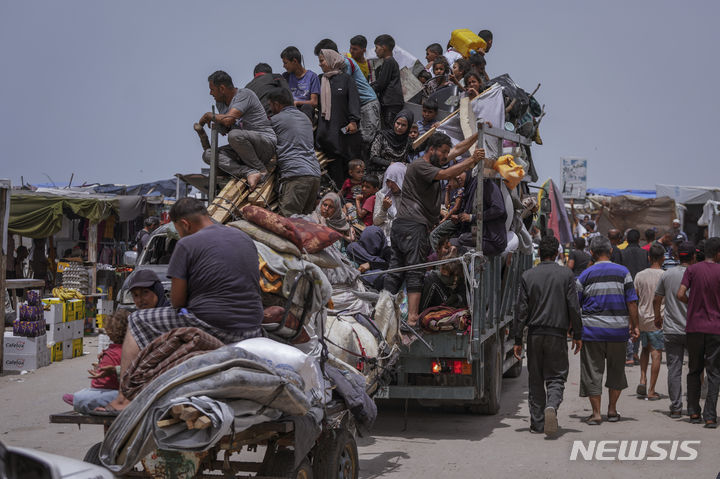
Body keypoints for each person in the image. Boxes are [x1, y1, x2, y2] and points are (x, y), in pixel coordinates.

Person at [100, 198, 264, 413]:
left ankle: (124, 398)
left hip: (214, 326)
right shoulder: (244, 238)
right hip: (252, 326)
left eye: (178, 230)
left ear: (184, 224)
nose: (179, 235)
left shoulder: (187, 244)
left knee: (137, 319)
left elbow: (177, 302)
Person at [383, 132, 483, 327]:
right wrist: (472, 159)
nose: (446, 156)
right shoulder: (421, 166)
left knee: (396, 270)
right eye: (443, 152)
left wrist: (476, 136)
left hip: (403, 225)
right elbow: (446, 174)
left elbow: (456, 150)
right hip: (413, 226)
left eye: (447, 153)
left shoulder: (433, 161)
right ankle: (412, 317)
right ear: (432, 150)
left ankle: (384, 312)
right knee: (414, 271)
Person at [513, 235, 583, 436]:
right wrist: (578, 334)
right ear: (557, 253)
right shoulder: (566, 275)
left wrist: (518, 340)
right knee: (556, 377)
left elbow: (521, 311)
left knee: (535, 379)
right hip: (557, 334)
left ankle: (537, 423)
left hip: (535, 334)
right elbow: (573, 307)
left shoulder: (528, 275)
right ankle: (551, 405)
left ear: (539, 254)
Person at [576, 235, 640, 425]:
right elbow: (632, 302)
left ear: (592, 253)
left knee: (592, 371)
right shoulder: (623, 272)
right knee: (616, 371)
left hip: (592, 331)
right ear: (611, 251)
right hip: (618, 332)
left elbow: (575, 303)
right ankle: (612, 410)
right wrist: (635, 325)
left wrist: (573, 329)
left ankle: (596, 414)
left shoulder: (585, 274)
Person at [199, 71, 277, 190]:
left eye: (212, 89)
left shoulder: (244, 94)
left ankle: (261, 170)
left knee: (235, 136)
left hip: (264, 145)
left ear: (222, 88)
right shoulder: (221, 103)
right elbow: (226, 127)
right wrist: (219, 125)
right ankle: (249, 171)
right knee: (208, 155)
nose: (210, 93)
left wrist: (209, 116)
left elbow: (229, 120)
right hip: (243, 149)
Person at [677, 236, 720, 428]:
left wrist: (692, 304)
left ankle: (694, 412)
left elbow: (680, 294)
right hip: (715, 329)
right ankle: (710, 416)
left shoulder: (692, 270)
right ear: (718, 253)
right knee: (714, 372)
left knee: (694, 370)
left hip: (694, 327)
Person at [314, 39, 380, 156]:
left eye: (322, 57)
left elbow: (343, 86)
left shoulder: (344, 64)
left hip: (367, 103)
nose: (320, 62)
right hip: (359, 104)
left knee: (367, 138)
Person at [654, 241, 695, 418]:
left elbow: (657, 299)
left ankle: (676, 407)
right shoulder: (697, 274)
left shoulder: (667, 275)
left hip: (671, 329)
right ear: (693, 256)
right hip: (694, 329)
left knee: (674, 369)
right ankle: (693, 409)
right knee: (695, 369)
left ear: (677, 256)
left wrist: (657, 316)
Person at [267, 87, 321, 216]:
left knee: (289, 221)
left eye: (270, 105)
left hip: (295, 175)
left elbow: (265, 143)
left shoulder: (275, 120)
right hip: (314, 175)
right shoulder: (305, 119)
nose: (270, 109)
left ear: (276, 104)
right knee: (305, 222)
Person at [63, 309, 129, 413]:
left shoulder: (120, 352)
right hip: (108, 390)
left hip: (112, 392)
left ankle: (81, 401)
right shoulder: (117, 350)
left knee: (82, 396)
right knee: (87, 393)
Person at [315, 49, 361, 190]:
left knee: (348, 165)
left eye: (322, 60)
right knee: (334, 169)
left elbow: (354, 101)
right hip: (327, 132)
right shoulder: (320, 79)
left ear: (331, 60)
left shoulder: (346, 79)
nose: (320, 64)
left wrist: (354, 121)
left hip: (344, 131)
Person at [634, 245, 667, 400]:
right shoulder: (665, 275)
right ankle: (651, 390)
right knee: (656, 354)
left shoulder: (640, 275)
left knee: (645, 349)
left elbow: (634, 298)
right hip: (657, 319)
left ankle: (642, 379)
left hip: (642, 318)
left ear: (649, 258)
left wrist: (632, 322)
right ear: (663, 258)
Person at [368, 109, 414, 178]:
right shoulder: (382, 136)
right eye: (398, 123)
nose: (399, 127)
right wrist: (391, 164)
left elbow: (419, 147)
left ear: (408, 127)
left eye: (403, 125)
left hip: (398, 174)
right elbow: (373, 157)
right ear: (394, 122)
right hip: (379, 172)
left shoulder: (408, 141)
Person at [371, 34, 404, 129]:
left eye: (376, 47)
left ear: (384, 47)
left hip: (391, 102)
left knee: (390, 129)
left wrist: (367, 89)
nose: (375, 50)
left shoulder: (389, 61)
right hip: (392, 102)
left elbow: (381, 83)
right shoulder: (390, 62)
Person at [281, 46, 321, 120]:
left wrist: (297, 102)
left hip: (305, 111)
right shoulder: (286, 77)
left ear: (295, 61)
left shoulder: (312, 77)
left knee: (307, 107)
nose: (284, 66)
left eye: (285, 63)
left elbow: (314, 102)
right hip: (290, 111)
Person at [373, 162, 406, 243]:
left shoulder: (409, 196)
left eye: (394, 181)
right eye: (388, 181)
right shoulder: (381, 195)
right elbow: (376, 221)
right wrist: (384, 208)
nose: (390, 185)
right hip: (385, 236)